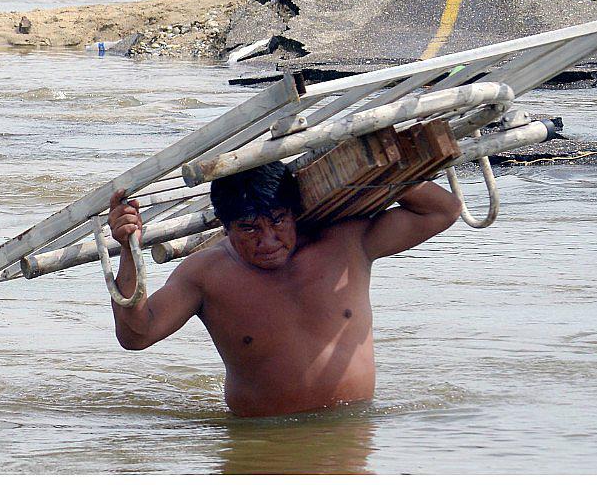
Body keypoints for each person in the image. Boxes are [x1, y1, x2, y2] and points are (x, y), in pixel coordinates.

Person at [104, 161, 463, 418]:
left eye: (278, 221)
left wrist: (385, 167)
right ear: (225, 227)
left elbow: (442, 212)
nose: (268, 240)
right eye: (249, 229)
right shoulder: (205, 274)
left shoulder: (345, 242)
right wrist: (128, 247)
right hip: (261, 444)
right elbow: (137, 335)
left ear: (295, 212)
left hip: (352, 433)